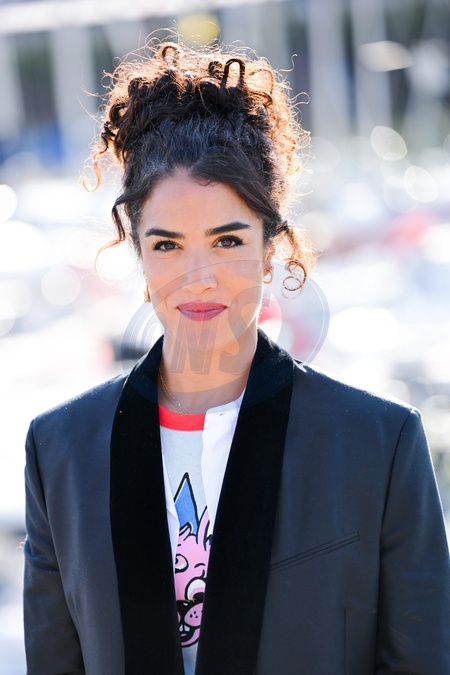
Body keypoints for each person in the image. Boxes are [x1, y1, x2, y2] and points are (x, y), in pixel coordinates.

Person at [23, 37, 450, 675]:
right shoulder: (60, 450)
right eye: (167, 245)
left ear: (271, 248)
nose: (198, 278)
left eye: (227, 240)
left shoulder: (378, 444)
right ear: (137, 253)